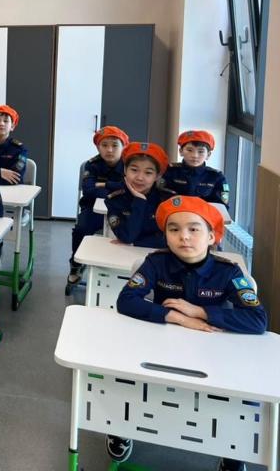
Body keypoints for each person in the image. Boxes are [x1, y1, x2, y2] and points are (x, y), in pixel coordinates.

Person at [113, 195, 265, 469]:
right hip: (162, 346)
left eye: (194, 229)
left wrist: (200, 312)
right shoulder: (156, 263)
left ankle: (232, 451)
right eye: (174, 229)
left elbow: (257, 320)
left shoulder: (228, 272)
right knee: (122, 371)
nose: (183, 236)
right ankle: (119, 427)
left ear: (211, 237)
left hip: (213, 352)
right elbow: (126, 300)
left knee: (241, 396)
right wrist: (177, 318)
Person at [68, 126, 129, 286]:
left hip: (124, 210)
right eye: (104, 145)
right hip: (93, 209)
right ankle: (76, 265)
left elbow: (131, 189)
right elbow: (89, 190)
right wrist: (117, 189)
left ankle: (124, 270)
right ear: (98, 147)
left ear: (123, 146)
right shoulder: (92, 165)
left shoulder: (130, 164)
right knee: (81, 229)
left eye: (115, 145)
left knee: (131, 233)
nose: (109, 150)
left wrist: (103, 185)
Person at [105, 142, 174, 248]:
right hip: (127, 253)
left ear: (157, 176)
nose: (140, 178)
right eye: (134, 170)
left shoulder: (166, 200)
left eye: (148, 173)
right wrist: (140, 201)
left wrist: (136, 243)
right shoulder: (115, 199)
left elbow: (171, 239)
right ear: (125, 170)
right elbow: (127, 236)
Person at [163, 130, 230, 210]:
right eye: (189, 150)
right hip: (174, 213)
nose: (195, 155)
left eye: (200, 151)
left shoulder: (216, 177)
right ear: (181, 151)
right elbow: (162, 197)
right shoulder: (171, 171)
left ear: (208, 155)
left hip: (204, 216)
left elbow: (222, 206)